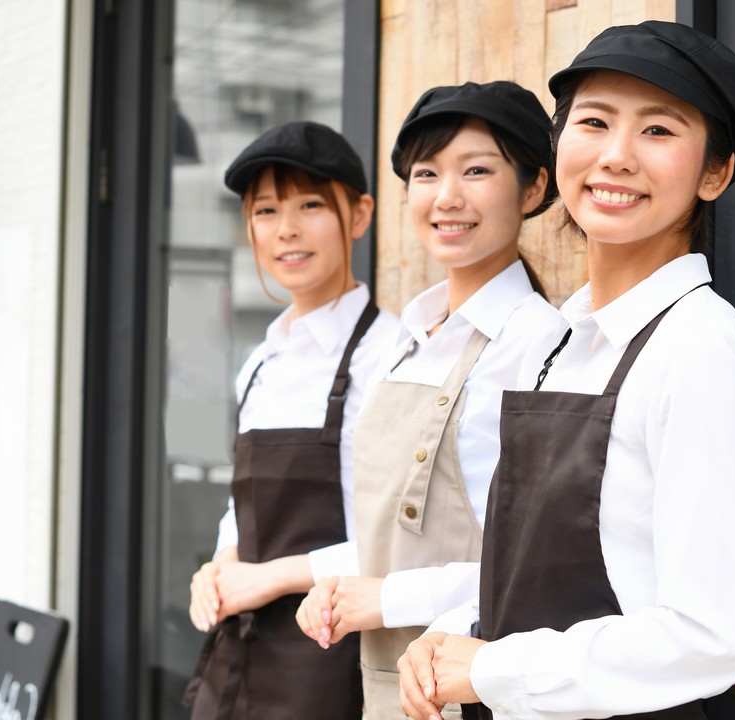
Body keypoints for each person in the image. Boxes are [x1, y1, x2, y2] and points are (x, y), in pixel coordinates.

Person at [398, 20, 735, 720]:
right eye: (594, 123)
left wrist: (493, 665)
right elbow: (531, 571)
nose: (617, 156)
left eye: (658, 131)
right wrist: (456, 630)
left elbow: (720, 635)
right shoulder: (564, 341)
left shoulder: (699, 350)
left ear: (715, 172)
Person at [295, 81, 560, 719]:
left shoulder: (536, 345)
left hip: (477, 687)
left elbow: (538, 568)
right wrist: (332, 586)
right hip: (385, 688)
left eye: (476, 170)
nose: (447, 197)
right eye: (426, 173)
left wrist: (384, 599)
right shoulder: (405, 339)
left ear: (533, 188)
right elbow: (385, 530)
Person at [182, 121, 400, 720]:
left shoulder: (390, 356)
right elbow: (243, 502)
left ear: (359, 215)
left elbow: (398, 544)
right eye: (266, 211)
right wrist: (222, 564)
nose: (287, 230)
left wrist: (270, 578)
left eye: (310, 205)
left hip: (332, 655)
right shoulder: (261, 360)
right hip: (241, 646)